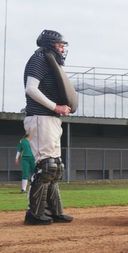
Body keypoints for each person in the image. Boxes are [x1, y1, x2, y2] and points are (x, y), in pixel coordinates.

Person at [22, 29, 73, 225]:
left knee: (56, 167)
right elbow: (31, 89)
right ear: (50, 44)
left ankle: (53, 211)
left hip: (51, 119)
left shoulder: (49, 60)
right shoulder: (39, 58)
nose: (62, 48)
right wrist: (55, 106)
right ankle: (34, 213)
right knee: (47, 167)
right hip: (40, 117)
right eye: (60, 44)